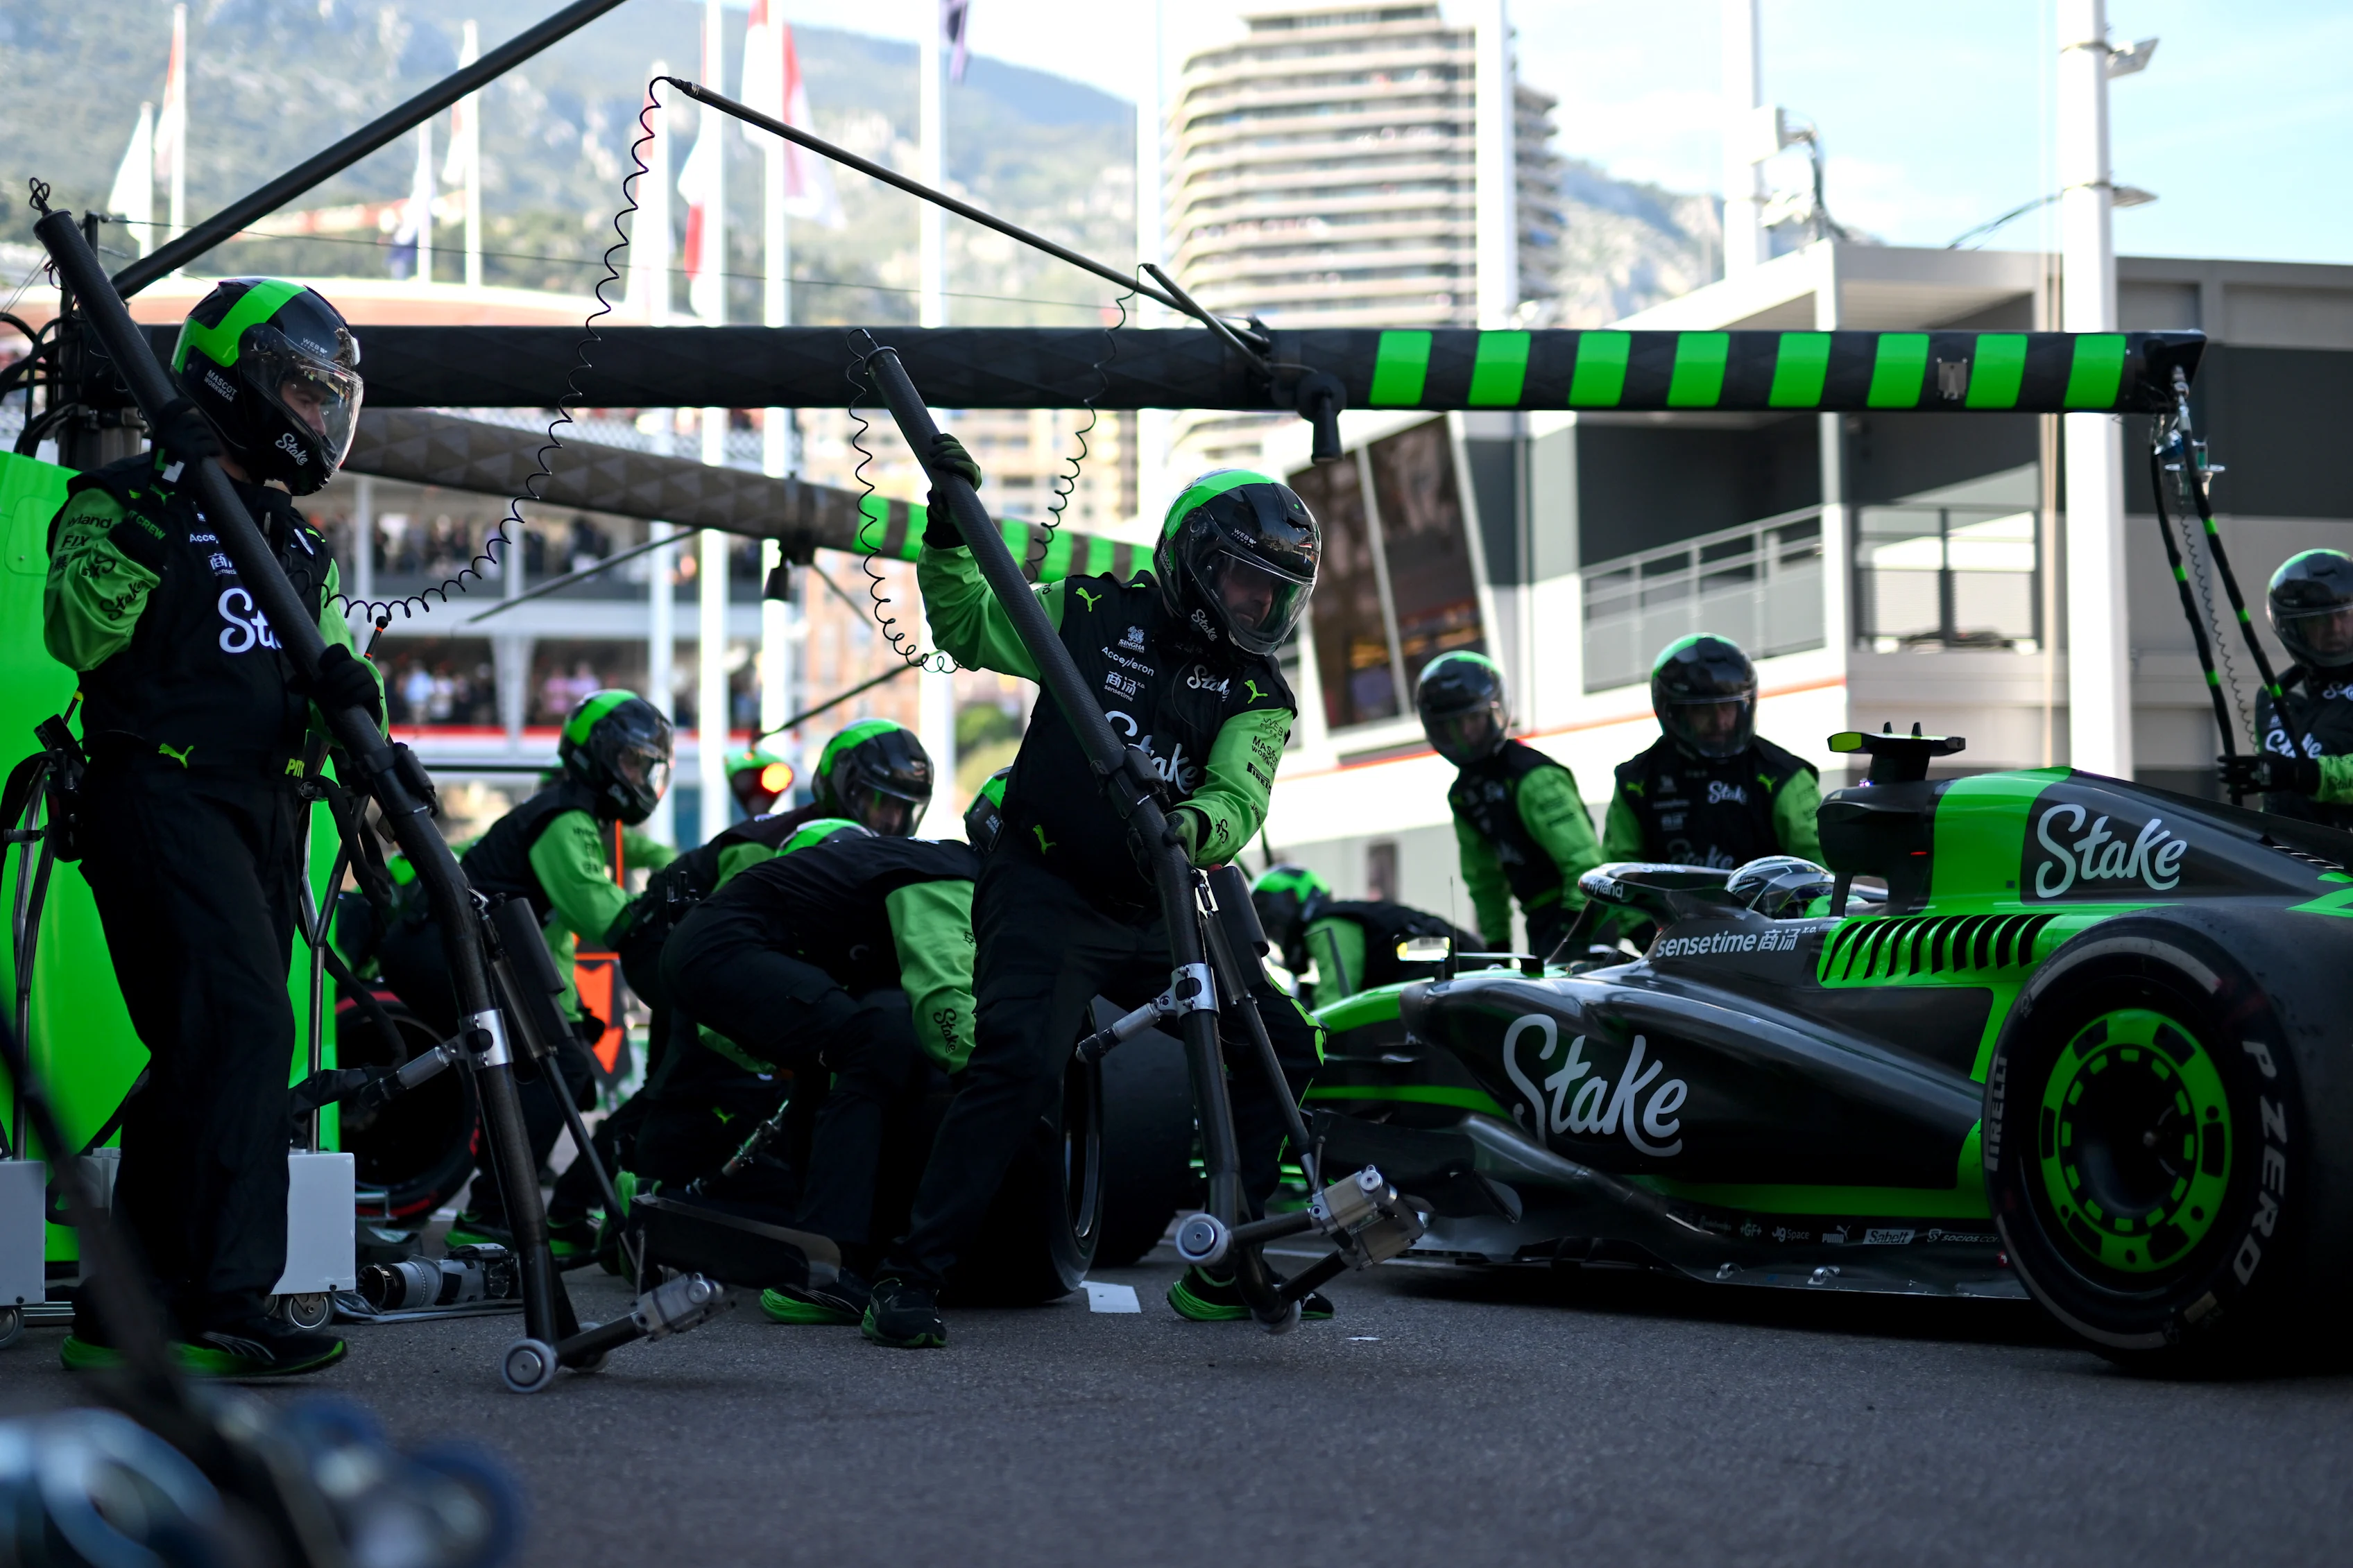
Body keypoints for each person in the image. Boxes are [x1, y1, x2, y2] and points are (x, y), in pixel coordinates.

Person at [857, 448, 1328, 1349]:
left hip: (1162, 893)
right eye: (1244, 580)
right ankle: (910, 1275)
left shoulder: (1259, 692)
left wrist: (1189, 827)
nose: (1258, 606)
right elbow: (966, 624)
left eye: (1275, 593)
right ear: (1193, 558)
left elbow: (1238, 798)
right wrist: (951, 533)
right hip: (1045, 886)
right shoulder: (1088, 609)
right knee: (1021, 1068)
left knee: (1279, 1044)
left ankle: (1229, 1264)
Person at [46, 278, 376, 1375]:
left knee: (206, 1045)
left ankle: (124, 1308)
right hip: (160, 795)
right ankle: (227, 1298)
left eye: (330, 398)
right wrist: (170, 488)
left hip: (265, 809)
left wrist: (364, 714)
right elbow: (78, 634)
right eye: (301, 390)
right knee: (241, 1028)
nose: (317, 417)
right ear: (234, 384)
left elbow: (333, 661)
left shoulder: (303, 546)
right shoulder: (121, 501)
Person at [647, 823, 980, 1325]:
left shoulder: (914, 862)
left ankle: (806, 1241)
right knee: (874, 1045)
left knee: (828, 1060)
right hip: (724, 946)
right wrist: (992, 1081)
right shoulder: (950, 872)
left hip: (705, 945)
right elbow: (943, 999)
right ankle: (822, 1269)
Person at [383, 691, 678, 1258]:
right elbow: (603, 915)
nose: (640, 776)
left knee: (563, 1071)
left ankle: (513, 1206)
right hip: (437, 950)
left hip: (452, 947)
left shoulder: (577, 815)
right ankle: (490, 1216)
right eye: (633, 761)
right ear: (599, 756)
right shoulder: (565, 819)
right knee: (557, 1070)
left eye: (647, 766)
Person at [1416, 650, 1602, 963]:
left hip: (1581, 917)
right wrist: (1497, 947)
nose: (1465, 733)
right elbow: (1484, 879)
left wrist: (1570, 932)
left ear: (1494, 712)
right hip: (1540, 920)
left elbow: (1584, 863)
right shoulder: (1463, 796)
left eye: (1473, 719)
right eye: (1453, 724)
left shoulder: (1533, 776)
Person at [1601, 635, 1822, 871]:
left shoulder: (1783, 775)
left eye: (1727, 706)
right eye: (1703, 710)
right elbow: (1620, 881)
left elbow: (1823, 874)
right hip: (1667, 908)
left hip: (1765, 908)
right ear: (1673, 712)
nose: (1719, 721)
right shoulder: (1637, 782)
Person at [2219, 549, 2353, 824]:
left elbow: (2296, 775)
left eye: (2346, 615)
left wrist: (2305, 775)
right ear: (2292, 629)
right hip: (2288, 859)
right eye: (2318, 620)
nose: (2335, 628)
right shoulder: (2274, 695)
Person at [1250, 863, 1482, 1006]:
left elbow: (1336, 1001)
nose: (1277, 937)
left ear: (1292, 900)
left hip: (1457, 986)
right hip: (1470, 975)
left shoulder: (1328, 924)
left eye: (1274, 928)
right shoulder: (1351, 915)